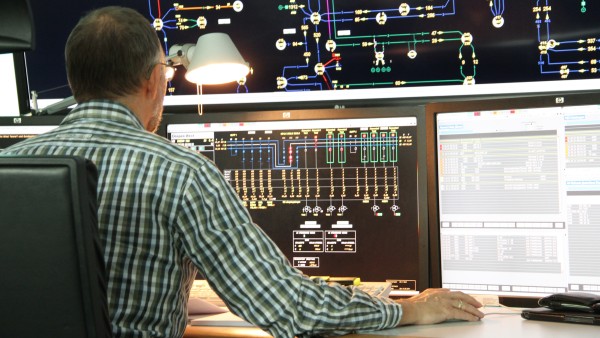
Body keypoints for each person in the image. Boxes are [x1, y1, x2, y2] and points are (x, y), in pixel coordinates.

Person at [1, 6, 484, 338]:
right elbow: (287, 308)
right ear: (154, 81)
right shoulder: (180, 173)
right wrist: (409, 309)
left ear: (75, 79)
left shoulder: (12, 165)